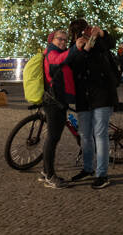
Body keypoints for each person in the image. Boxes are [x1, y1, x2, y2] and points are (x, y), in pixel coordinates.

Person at [67, 19, 118, 190]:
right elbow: (72, 66)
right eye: (79, 32)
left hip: (102, 94)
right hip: (84, 97)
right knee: (85, 135)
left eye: (85, 30)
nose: (84, 34)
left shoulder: (98, 43)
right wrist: (78, 48)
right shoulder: (73, 48)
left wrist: (102, 33)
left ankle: (102, 174)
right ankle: (88, 168)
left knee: (99, 134)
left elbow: (110, 44)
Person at [41, 29, 86, 189]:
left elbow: (69, 61)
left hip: (59, 101)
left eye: (65, 40)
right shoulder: (52, 53)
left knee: (53, 137)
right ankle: (49, 175)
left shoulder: (61, 51)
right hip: (54, 102)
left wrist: (79, 49)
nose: (63, 42)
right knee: (53, 138)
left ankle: (45, 170)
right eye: (59, 39)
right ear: (52, 40)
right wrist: (74, 48)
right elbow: (59, 60)